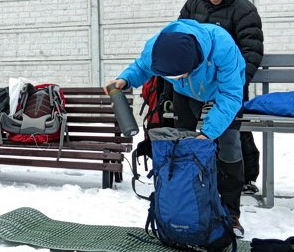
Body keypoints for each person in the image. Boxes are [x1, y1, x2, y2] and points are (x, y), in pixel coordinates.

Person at [105, 19, 247, 236]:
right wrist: (125, 79)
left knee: (229, 145)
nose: (173, 79)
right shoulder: (156, 47)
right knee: (182, 147)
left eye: (177, 75)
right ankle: (184, 208)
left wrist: (208, 133)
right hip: (187, 93)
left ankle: (230, 213)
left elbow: (231, 95)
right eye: (168, 77)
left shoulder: (222, 46)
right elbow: (142, 67)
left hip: (224, 91)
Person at [179, 0, 264, 194]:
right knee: (195, 127)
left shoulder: (244, 9)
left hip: (230, 81)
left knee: (232, 130)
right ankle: (198, 175)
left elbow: (252, 51)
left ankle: (244, 177)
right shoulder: (192, 5)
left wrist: (236, 84)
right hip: (198, 83)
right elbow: (181, 41)